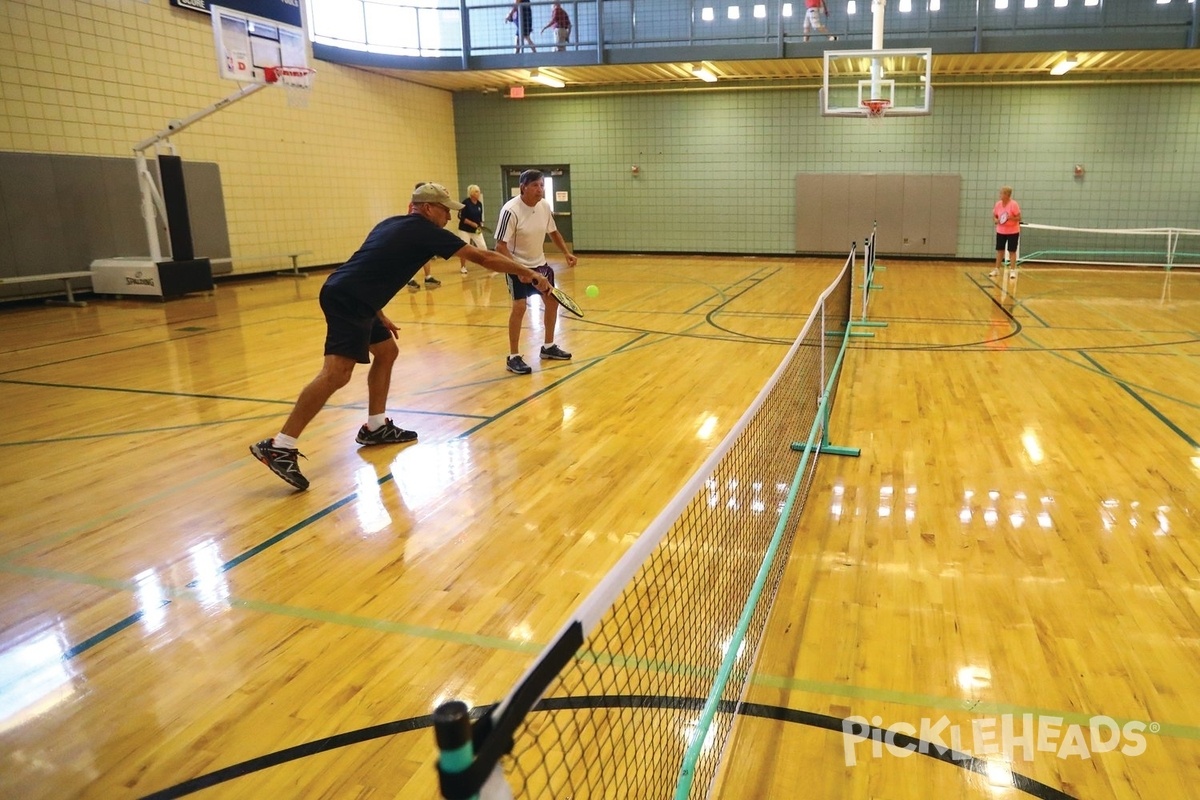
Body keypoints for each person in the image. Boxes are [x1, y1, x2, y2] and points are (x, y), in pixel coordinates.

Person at [250, 182, 550, 490]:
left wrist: (378, 313)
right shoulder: (425, 231)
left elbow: (370, 266)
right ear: (428, 208)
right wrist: (526, 271)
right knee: (336, 374)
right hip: (349, 299)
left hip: (356, 296)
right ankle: (280, 445)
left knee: (387, 352)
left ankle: (376, 427)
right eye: (445, 210)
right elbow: (484, 258)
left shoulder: (391, 224)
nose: (448, 217)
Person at [494, 169, 577, 375]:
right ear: (523, 187)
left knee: (552, 302)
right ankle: (513, 357)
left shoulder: (544, 206)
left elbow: (553, 231)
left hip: (541, 264)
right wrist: (519, 269)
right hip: (517, 265)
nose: (539, 189)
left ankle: (548, 347)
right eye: (535, 185)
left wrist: (566, 253)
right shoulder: (510, 210)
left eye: (541, 185)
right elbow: (500, 246)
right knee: (520, 307)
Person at [406, 182, 442, 290]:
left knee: (425, 256)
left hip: (423, 233)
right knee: (412, 258)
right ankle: (410, 279)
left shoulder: (429, 204)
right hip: (413, 234)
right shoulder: (413, 204)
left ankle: (428, 277)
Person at [992, 185, 1022, 277]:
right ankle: (996, 269)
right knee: (1000, 250)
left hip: (1013, 231)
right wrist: (995, 220)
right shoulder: (998, 204)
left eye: (1002, 193)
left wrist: (1011, 218)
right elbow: (994, 216)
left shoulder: (1014, 204)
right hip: (1001, 231)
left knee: (1012, 251)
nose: (1000, 195)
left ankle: (1012, 270)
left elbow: (1019, 217)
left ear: (1007, 194)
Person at [456, 185, 486, 274]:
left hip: (476, 230)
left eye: (479, 191)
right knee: (464, 248)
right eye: (476, 191)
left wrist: (480, 224)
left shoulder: (479, 204)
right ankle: (463, 267)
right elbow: (461, 217)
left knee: (483, 246)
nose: (478, 193)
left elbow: (479, 217)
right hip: (464, 229)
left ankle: (487, 264)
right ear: (471, 193)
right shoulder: (465, 203)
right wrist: (471, 223)